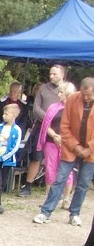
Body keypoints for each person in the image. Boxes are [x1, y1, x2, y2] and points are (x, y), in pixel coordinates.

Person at [33, 77, 94, 227]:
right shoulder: (73, 99)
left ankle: (75, 213)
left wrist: (89, 148)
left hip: (90, 151)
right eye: (84, 94)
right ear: (80, 90)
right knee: (59, 179)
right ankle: (46, 212)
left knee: (83, 183)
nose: (86, 98)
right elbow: (64, 126)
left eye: (89, 95)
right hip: (71, 147)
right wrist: (75, 146)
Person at [21, 64, 65, 195]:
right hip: (42, 126)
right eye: (50, 74)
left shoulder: (68, 89)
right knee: (36, 155)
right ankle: (28, 185)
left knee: (61, 158)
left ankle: (59, 189)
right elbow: (36, 108)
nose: (51, 76)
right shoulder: (43, 89)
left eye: (54, 74)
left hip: (60, 127)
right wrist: (49, 117)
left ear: (62, 75)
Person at [37, 81, 76, 208]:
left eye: (61, 92)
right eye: (58, 92)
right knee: (50, 169)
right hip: (51, 141)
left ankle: (66, 198)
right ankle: (49, 197)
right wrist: (54, 136)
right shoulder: (53, 107)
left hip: (67, 144)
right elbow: (46, 125)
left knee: (68, 171)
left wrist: (64, 138)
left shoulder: (74, 109)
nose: (59, 94)